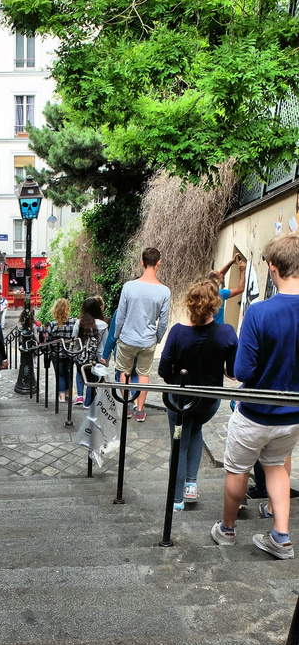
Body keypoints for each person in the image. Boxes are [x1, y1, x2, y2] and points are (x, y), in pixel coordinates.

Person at [211, 234, 299, 559]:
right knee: (277, 467)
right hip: (292, 417)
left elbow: (242, 371)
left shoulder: (258, 313)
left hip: (254, 414)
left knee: (238, 470)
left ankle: (227, 530)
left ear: (273, 267)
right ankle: (281, 536)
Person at [159, 279, 238, 510]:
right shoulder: (227, 333)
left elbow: (163, 370)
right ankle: (190, 485)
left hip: (179, 400)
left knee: (179, 445)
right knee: (196, 429)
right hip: (208, 402)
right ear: (216, 304)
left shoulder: (177, 333)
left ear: (189, 303)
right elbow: (233, 371)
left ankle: (176, 500)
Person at [114, 247, 171, 422]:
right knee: (143, 373)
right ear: (159, 263)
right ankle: (140, 410)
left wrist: (117, 335)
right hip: (148, 340)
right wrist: (158, 338)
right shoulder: (164, 291)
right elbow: (163, 322)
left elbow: (120, 315)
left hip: (127, 338)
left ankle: (127, 407)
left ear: (142, 262)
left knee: (125, 371)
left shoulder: (129, 287)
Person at [73, 296, 108, 407]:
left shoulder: (78, 323)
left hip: (80, 356)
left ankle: (79, 396)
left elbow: (74, 340)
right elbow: (105, 343)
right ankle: (88, 403)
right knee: (92, 380)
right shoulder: (103, 325)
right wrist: (105, 359)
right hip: (96, 358)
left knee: (80, 373)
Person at [46, 298, 77, 402]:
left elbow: (48, 339)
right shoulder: (73, 322)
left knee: (60, 375)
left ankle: (62, 397)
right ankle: (68, 394)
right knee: (68, 373)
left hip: (57, 353)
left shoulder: (53, 324)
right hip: (69, 353)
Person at [209, 253, 246, 324]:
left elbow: (221, 274)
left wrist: (232, 262)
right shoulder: (220, 294)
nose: (222, 274)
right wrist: (242, 271)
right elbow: (240, 289)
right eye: (220, 275)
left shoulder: (206, 290)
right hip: (218, 329)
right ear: (217, 280)